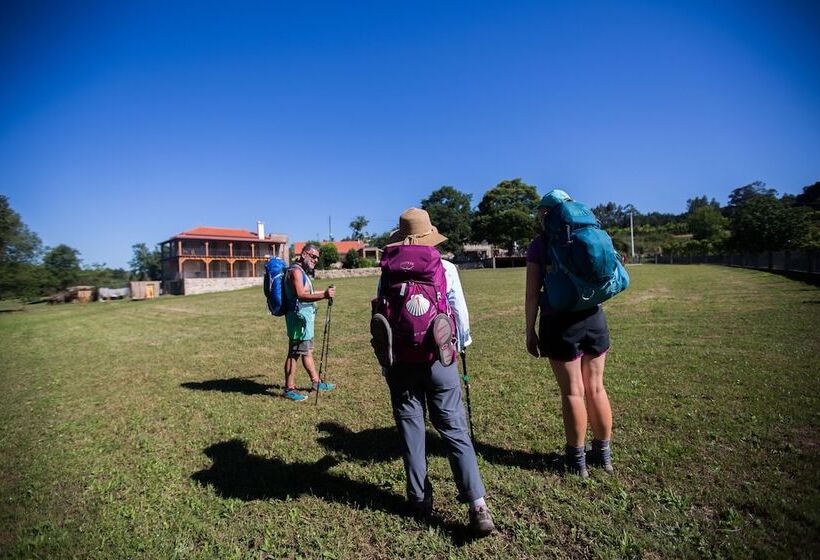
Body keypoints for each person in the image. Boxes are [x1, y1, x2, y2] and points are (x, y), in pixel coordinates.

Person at [370, 207, 495, 536]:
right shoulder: (446, 267)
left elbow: (383, 309)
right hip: (439, 360)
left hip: (400, 361)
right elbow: (459, 313)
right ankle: (478, 505)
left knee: (411, 431)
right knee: (455, 429)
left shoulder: (388, 269)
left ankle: (419, 501)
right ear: (429, 235)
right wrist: (460, 346)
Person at [525, 189, 615, 477]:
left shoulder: (540, 245)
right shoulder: (589, 235)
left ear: (546, 214)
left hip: (559, 323)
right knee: (597, 388)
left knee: (573, 392)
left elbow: (531, 295)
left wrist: (529, 330)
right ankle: (604, 456)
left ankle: (577, 462)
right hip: (594, 318)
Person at [281, 243, 337, 402]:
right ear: (304, 254)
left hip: (303, 320)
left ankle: (316, 382)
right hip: (298, 320)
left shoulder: (301, 272)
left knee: (306, 351)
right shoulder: (295, 272)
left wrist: (325, 293)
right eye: (313, 256)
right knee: (294, 354)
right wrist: (324, 295)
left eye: (317, 258)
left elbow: (308, 293)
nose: (315, 260)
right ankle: (289, 389)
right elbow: (300, 295)